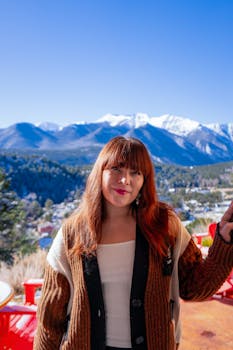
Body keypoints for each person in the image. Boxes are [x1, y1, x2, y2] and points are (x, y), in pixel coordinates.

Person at [34, 136, 233, 350]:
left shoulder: (165, 226)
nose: (125, 180)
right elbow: (49, 323)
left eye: (135, 172)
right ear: (100, 172)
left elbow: (195, 288)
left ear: (144, 180)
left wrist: (224, 243)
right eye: (117, 169)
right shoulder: (71, 235)